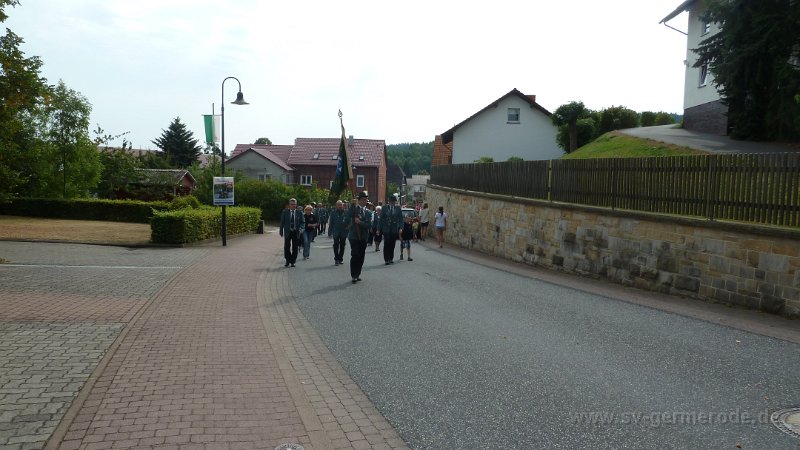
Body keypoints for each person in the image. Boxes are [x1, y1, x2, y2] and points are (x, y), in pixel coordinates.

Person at [346, 191, 371, 283]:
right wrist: (352, 205)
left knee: (361, 256)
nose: (365, 201)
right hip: (353, 236)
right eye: (363, 200)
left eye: (366, 200)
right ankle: (354, 275)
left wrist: (360, 222)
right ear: (359, 200)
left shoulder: (368, 212)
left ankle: (358, 273)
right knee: (355, 254)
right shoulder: (354, 209)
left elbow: (369, 225)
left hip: (363, 237)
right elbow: (348, 216)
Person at [279, 198, 304, 267]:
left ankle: (293, 261)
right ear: (289, 205)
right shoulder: (285, 212)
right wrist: (281, 231)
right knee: (287, 247)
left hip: (296, 232)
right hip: (288, 231)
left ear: (296, 205)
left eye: (294, 204)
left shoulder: (299, 212)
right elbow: (282, 222)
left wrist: (301, 228)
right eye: (291, 204)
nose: (293, 205)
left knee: (295, 247)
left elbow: (303, 222)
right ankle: (287, 260)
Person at [379, 194, 403, 265]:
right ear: (389, 201)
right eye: (391, 201)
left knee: (392, 244)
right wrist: (378, 229)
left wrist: (401, 227)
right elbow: (381, 219)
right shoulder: (384, 208)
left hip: (394, 229)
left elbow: (401, 219)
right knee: (386, 244)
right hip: (386, 229)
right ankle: (386, 259)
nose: (392, 203)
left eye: (394, 202)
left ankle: (391, 258)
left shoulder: (398, 208)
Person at [327, 200, 348, 265]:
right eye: (338, 205)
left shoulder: (346, 212)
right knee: (336, 245)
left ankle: (340, 258)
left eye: (340, 205)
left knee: (342, 245)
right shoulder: (333, 213)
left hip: (343, 231)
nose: (339, 206)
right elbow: (331, 223)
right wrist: (329, 232)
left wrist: (348, 229)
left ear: (342, 205)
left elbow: (349, 222)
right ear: (336, 206)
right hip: (336, 231)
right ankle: (336, 259)